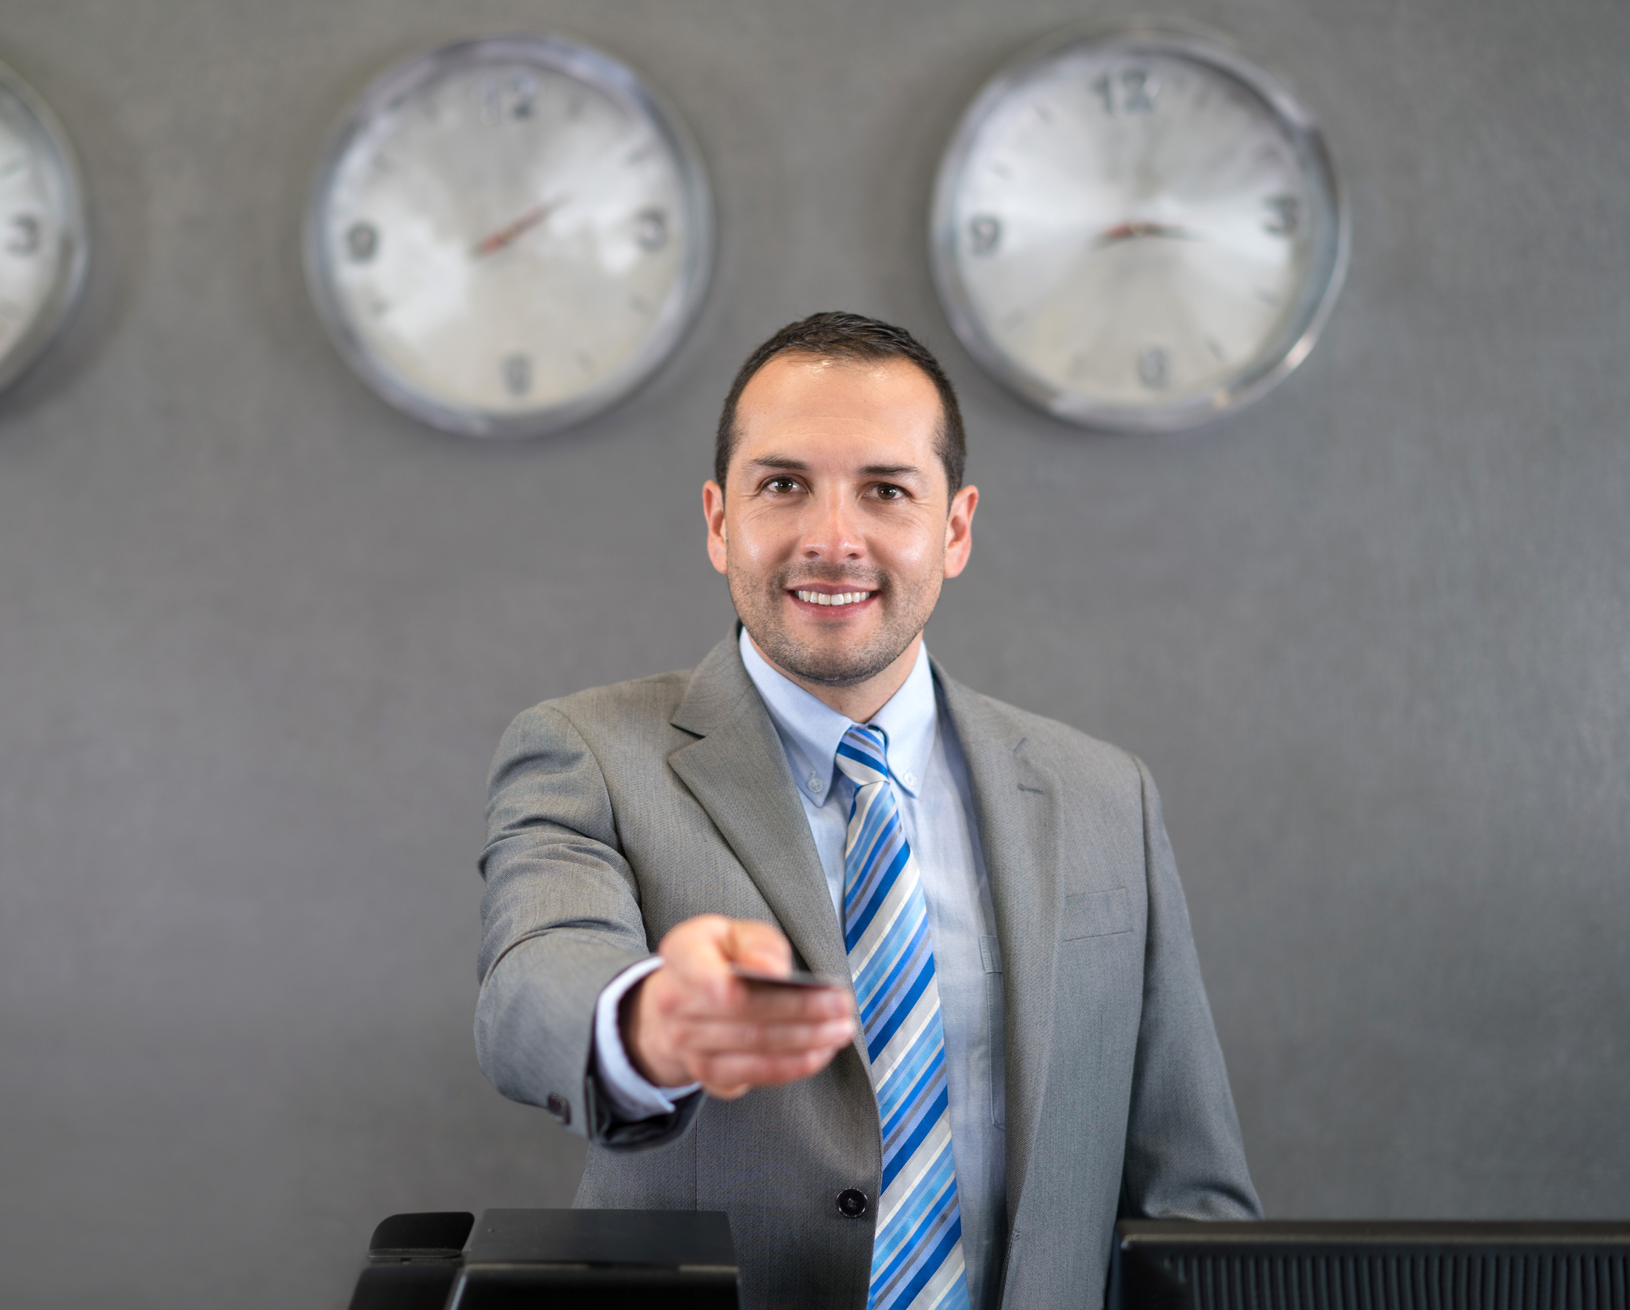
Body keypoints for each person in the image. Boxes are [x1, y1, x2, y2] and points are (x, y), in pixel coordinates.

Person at [475, 312, 1259, 1310]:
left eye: (885, 491)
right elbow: (529, 981)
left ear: (955, 527)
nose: (831, 540)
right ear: (719, 520)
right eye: (782, 485)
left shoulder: (1105, 796)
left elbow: (1188, 1202)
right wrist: (648, 1020)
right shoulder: (586, 751)